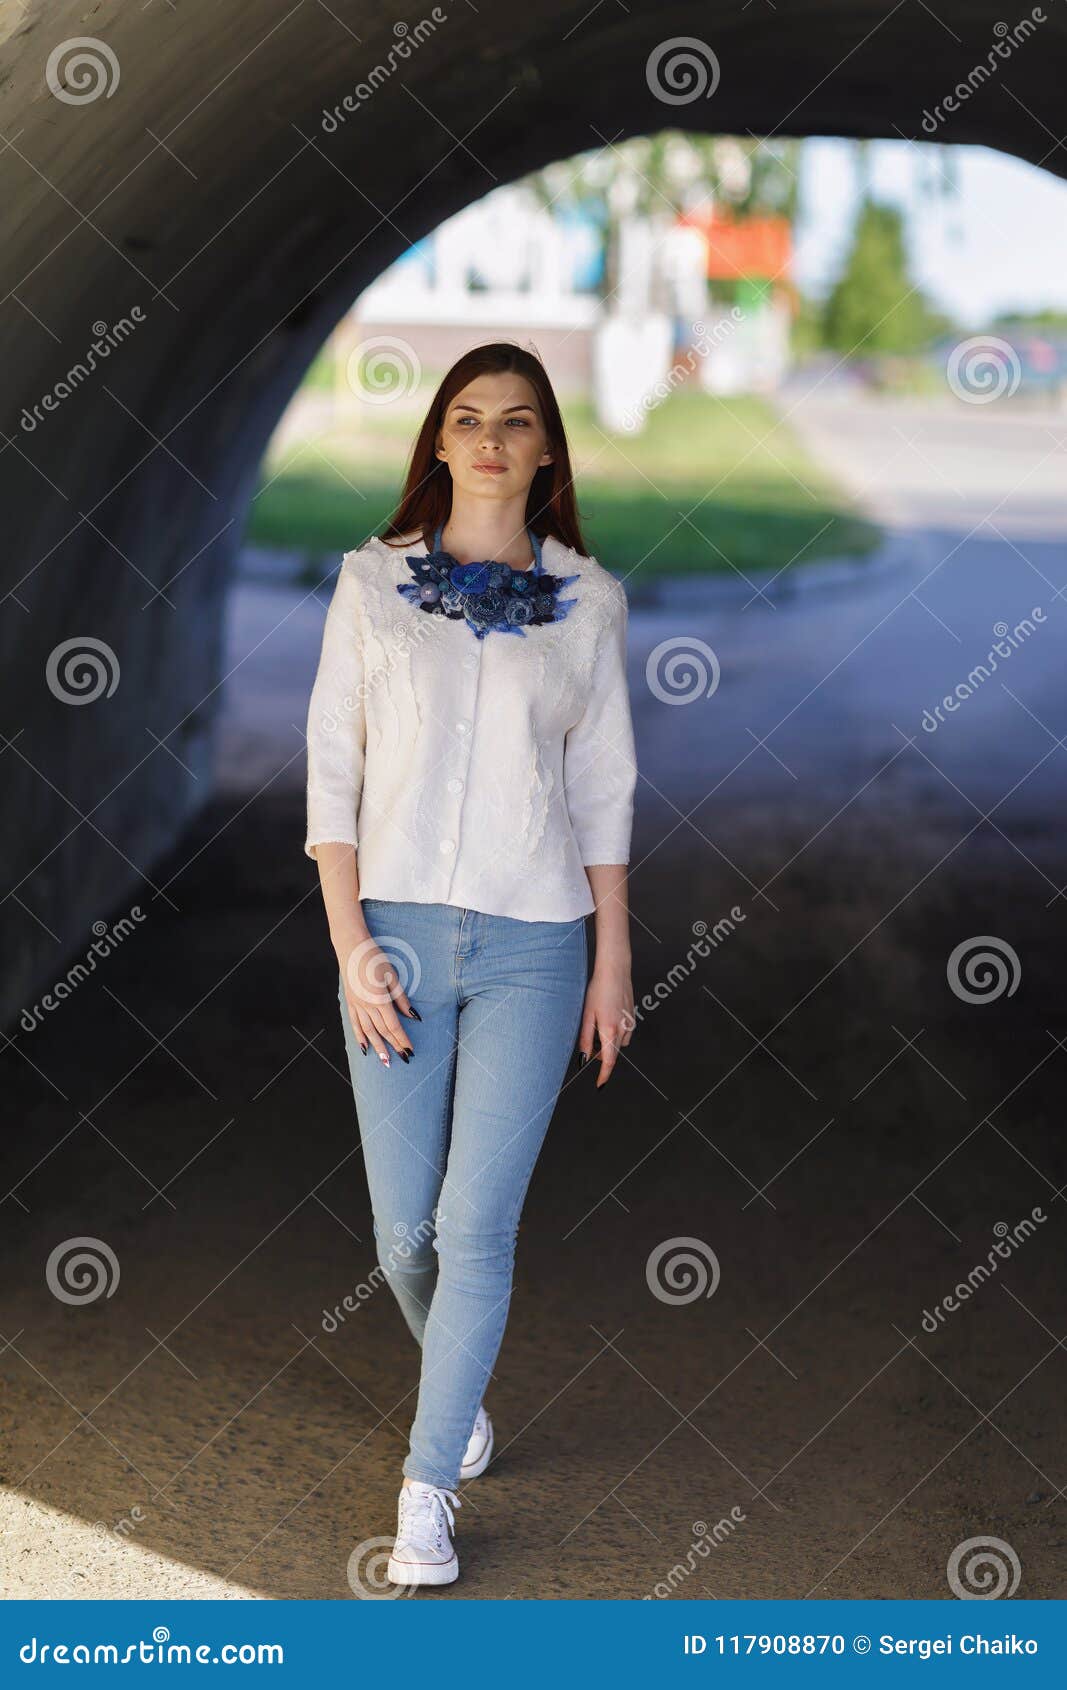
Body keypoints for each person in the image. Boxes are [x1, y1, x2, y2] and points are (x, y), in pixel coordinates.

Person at [304, 341, 637, 1587]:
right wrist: (348, 946)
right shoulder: (368, 585)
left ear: (547, 447)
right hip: (386, 938)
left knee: (473, 1227)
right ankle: (462, 1388)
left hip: (534, 945)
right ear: (437, 442)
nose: (490, 438)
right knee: (403, 1239)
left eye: (516, 420)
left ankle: (426, 1484)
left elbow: (602, 790)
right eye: (466, 417)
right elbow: (330, 770)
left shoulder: (588, 602)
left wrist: (610, 961)